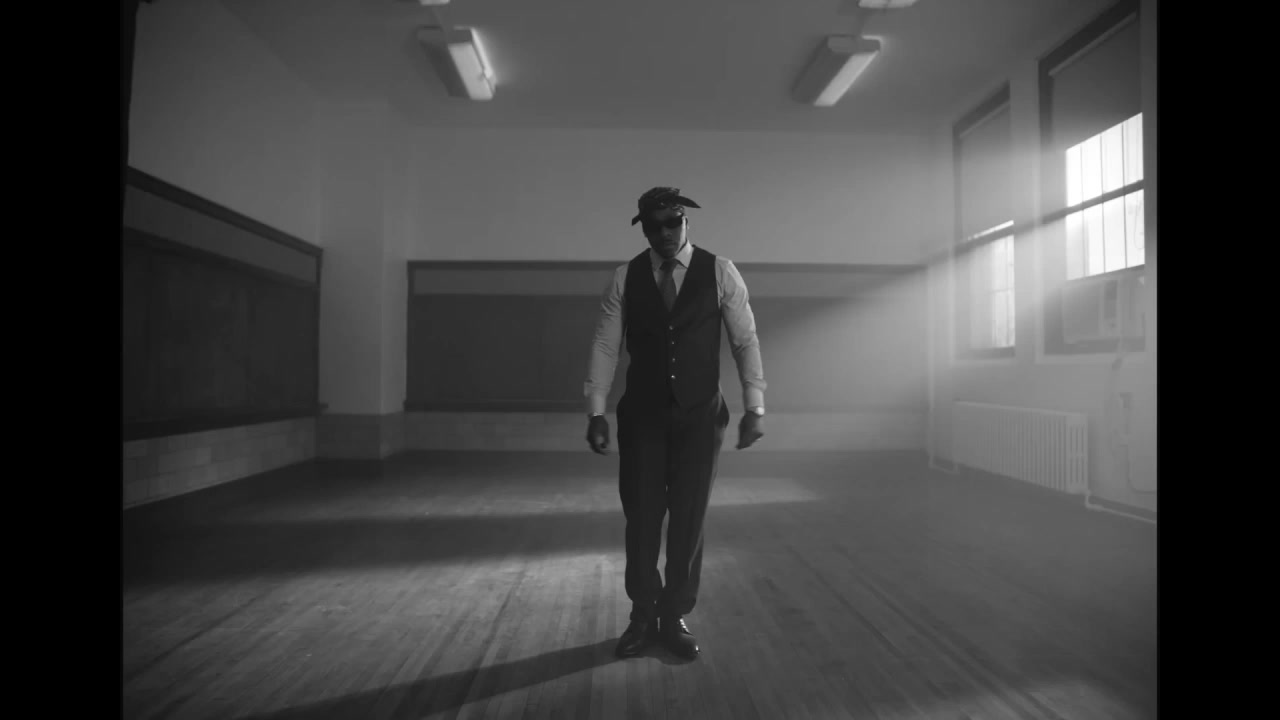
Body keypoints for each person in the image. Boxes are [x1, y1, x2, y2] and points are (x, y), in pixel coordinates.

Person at [584, 186, 767, 661]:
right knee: (642, 519)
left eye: (673, 222)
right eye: (654, 225)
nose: (664, 232)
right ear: (643, 229)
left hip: (700, 416)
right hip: (642, 417)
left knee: (688, 519)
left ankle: (674, 615)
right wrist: (596, 410)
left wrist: (755, 406)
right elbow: (606, 344)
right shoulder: (626, 277)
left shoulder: (720, 271)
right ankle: (642, 615)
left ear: (687, 222)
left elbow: (745, 341)